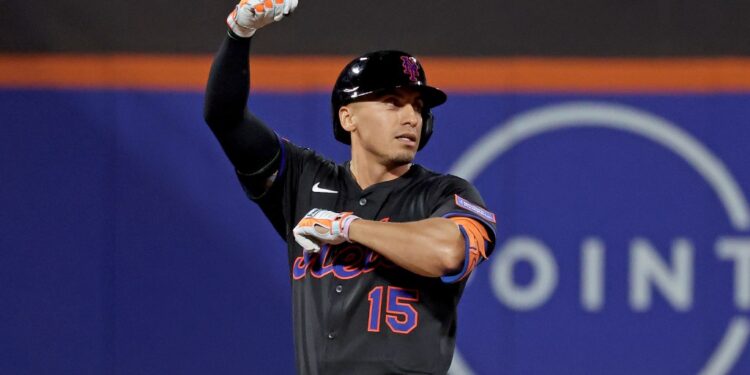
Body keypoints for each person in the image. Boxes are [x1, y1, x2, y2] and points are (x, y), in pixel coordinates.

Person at [203, 0, 497, 373]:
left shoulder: (443, 194)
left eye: (418, 107)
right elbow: (225, 118)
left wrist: (347, 227)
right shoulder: (303, 181)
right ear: (348, 117)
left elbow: (447, 252)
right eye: (393, 102)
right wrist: (238, 32)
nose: (411, 117)